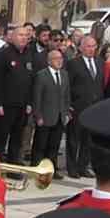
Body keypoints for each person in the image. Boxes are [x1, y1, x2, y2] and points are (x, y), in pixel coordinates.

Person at [0, 26, 36, 164]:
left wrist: (29, 103)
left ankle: (13, 165)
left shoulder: (29, 54)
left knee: (17, 138)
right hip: (5, 105)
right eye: (20, 35)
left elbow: (30, 80)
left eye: (26, 35)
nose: (23, 38)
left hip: (22, 105)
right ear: (12, 37)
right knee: (0, 138)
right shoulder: (2, 55)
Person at [66, 35, 105, 179]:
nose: (91, 49)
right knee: (74, 139)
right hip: (78, 107)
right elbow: (68, 86)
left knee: (88, 140)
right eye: (88, 46)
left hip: (94, 108)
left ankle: (83, 166)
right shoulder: (73, 63)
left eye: (94, 46)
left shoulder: (100, 62)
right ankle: (72, 167)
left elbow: (100, 84)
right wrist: (69, 105)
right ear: (81, 48)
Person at [32, 48, 73, 177]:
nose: (59, 61)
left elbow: (66, 96)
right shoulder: (41, 75)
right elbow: (37, 97)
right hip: (45, 116)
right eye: (56, 59)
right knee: (41, 145)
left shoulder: (65, 74)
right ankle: (37, 169)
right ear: (49, 61)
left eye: (61, 58)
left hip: (60, 116)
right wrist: (38, 115)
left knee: (54, 146)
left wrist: (66, 113)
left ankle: (52, 169)